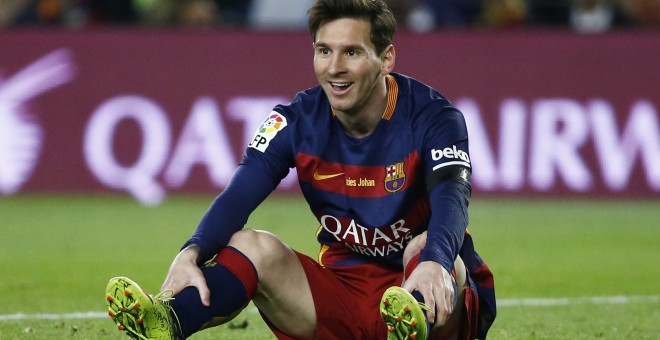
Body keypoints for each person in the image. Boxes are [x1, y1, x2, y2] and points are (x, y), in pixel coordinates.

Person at [104, 0, 496, 339]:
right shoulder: (295, 120)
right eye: (324, 51)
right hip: (342, 295)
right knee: (251, 243)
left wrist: (436, 263)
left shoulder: (433, 117)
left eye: (352, 53)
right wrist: (190, 252)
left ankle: (410, 322)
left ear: (386, 58)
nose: (334, 68)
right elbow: (241, 191)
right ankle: (169, 320)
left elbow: (452, 197)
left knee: (424, 247)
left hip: (433, 292)